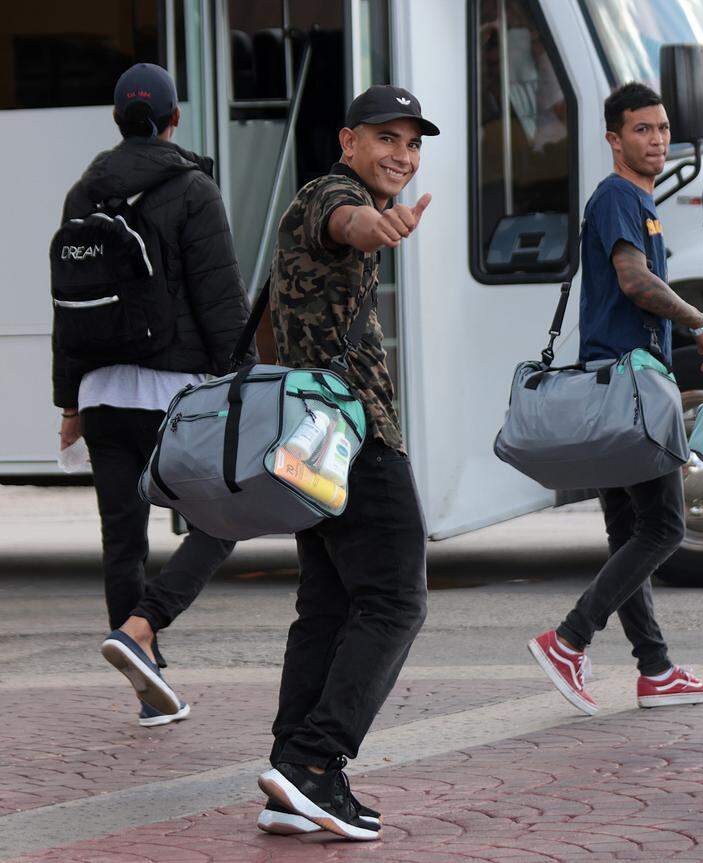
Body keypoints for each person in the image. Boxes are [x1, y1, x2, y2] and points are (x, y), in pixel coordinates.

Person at [254, 85, 437, 842]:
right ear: (348, 141)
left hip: (312, 438)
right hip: (355, 434)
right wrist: (377, 224)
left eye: (413, 143)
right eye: (386, 138)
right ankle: (317, 764)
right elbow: (347, 225)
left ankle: (285, 779)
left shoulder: (313, 198)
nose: (402, 154)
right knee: (397, 598)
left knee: (327, 607)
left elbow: (270, 324)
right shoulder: (334, 195)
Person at [53, 63, 250, 728]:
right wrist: (245, 382)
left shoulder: (85, 192)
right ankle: (143, 626)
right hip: (175, 395)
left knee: (122, 541)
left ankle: (148, 686)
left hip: (103, 394)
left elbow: (69, 307)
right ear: (173, 121)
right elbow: (221, 301)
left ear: (116, 120)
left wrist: (69, 403)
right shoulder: (193, 188)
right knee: (223, 519)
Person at [526, 83, 703, 716]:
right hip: (629, 384)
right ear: (613, 139)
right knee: (665, 525)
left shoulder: (639, 199)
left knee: (629, 532)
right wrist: (699, 320)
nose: (657, 140)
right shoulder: (618, 196)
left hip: (620, 383)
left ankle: (656, 668)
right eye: (642, 130)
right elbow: (634, 279)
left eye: (663, 129)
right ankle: (570, 639)